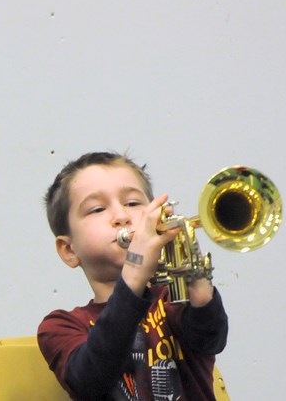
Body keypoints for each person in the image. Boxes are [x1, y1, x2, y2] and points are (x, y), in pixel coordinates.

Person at [37, 152, 228, 400]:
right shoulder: (60, 326)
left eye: (133, 203)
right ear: (69, 250)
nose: (121, 216)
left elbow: (211, 339)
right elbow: (89, 379)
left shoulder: (175, 301)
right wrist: (135, 272)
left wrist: (201, 290)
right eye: (97, 209)